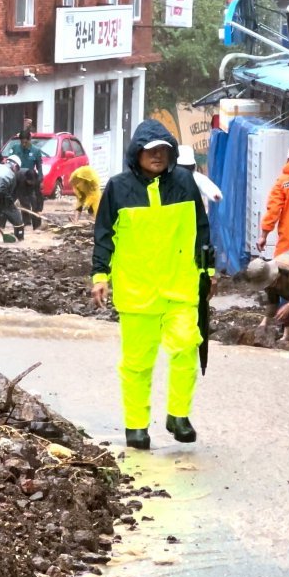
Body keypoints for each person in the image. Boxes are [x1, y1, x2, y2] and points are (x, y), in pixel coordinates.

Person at [91, 119, 215, 451]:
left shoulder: (185, 183)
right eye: (150, 151)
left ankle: (178, 415)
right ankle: (136, 426)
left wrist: (208, 271)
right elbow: (104, 236)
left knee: (187, 348)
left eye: (163, 150)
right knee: (137, 364)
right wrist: (100, 277)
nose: (158, 156)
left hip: (181, 286)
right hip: (136, 291)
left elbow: (201, 230)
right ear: (137, 154)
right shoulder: (117, 188)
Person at [9, 130, 45, 221]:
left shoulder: (36, 151)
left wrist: (40, 180)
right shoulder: (15, 148)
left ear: (30, 140)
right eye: (22, 142)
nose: (24, 144)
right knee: (18, 200)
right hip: (17, 179)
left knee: (34, 199)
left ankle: (36, 220)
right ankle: (24, 221)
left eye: (26, 142)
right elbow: (10, 163)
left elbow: (39, 167)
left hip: (30, 179)